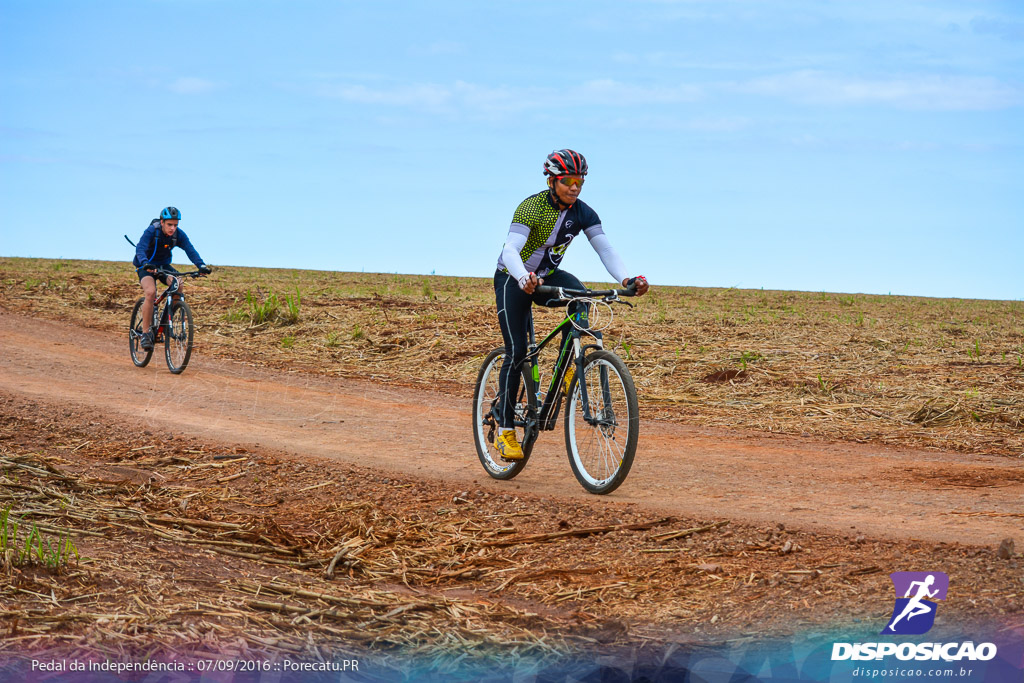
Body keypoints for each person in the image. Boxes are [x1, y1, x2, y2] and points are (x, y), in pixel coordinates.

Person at [492, 149, 649, 460]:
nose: (575, 187)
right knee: (517, 352)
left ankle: (569, 369)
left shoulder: (583, 212)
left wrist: (626, 280)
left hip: (547, 276)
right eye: (568, 181)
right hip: (514, 279)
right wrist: (524, 277)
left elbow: (605, 249)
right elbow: (510, 250)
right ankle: (505, 431)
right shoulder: (532, 208)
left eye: (580, 181)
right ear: (552, 181)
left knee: (581, 297)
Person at [132, 206, 212, 350]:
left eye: (175, 225)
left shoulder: (178, 235)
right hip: (145, 266)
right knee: (150, 292)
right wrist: (145, 263)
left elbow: (190, 249)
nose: (172, 228)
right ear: (162, 222)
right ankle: (145, 333)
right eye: (169, 224)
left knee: (178, 285)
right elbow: (140, 248)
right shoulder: (152, 231)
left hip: (163, 265)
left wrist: (201, 265)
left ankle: (168, 323)